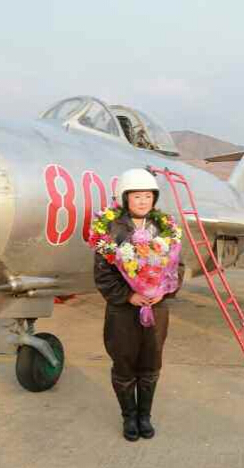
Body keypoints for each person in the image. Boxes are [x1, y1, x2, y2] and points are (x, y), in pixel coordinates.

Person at [94, 168, 184, 442]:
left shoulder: (165, 228)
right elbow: (103, 274)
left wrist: (164, 290)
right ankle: (128, 417)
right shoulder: (110, 229)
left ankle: (144, 416)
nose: (143, 201)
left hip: (156, 309)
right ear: (125, 198)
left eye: (148, 196)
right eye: (136, 196)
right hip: (122, 311)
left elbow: (177, 268)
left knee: (150, 364)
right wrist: (129, 296)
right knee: (123, 365)